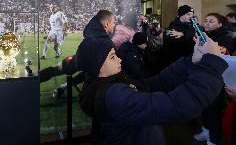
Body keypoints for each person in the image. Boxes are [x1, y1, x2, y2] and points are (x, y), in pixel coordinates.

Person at [76, 34, 228, 145]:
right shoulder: (112, 95)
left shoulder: (110, 82)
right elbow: (177, 106)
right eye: (112, 57)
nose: (120, 59)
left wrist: (191, 63)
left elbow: (152, 85)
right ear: (97, 67)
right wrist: (211, 66)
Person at [193, 13, 233, 145]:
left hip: (218, 79)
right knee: (205, 106)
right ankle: (206, 130)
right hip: (204, 75)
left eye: (211, 21)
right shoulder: (204, 35)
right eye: (206, 20)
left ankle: (213, 139)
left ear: (220, 24)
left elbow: (220, 56)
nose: (207, 23)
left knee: (214, 109)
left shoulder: (226, 38)